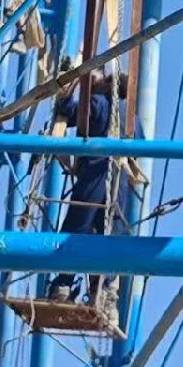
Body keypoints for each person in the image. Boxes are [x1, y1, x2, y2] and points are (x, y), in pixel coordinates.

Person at [46, 72, 138, 308]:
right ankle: (104, 292)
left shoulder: (99, 103)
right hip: (119, 187)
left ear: (108, 86)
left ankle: (63, 284)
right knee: (111, 237)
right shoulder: (132, 119)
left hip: (94, 178)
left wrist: (67, 91)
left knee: (77, 229)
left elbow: (72, 111)